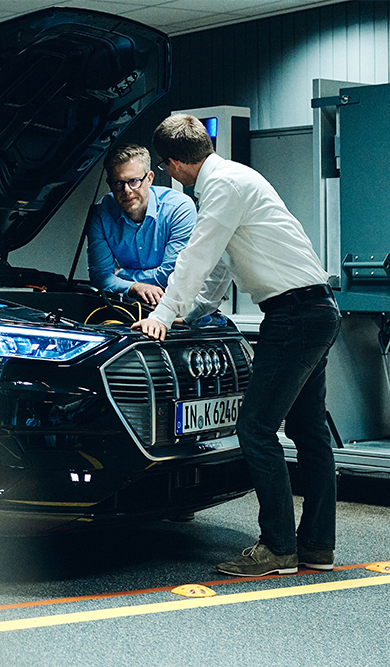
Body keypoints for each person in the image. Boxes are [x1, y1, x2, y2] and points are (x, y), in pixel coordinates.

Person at [132, 114, 342, 577]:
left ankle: (278, 548)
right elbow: (223, 266)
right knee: (309, 433)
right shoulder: (238, 177)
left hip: (294, 317)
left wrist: (162, 315)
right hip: (316, 309)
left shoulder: (222, 187)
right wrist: (190, 313)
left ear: (170, 165)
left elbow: (198, 255)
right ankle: (316, 547)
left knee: (256, 428)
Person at [86, 143, 196, 306]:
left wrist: (120, 275)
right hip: (128, 305)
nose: (127, 190)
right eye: (118, 183)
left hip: (180, 305)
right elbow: (100, 277)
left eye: (134, 181)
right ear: (109, 183)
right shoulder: (101, 214)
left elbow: (172, 275)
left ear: (149, 178)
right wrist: (134, 287)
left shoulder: (179, 209)